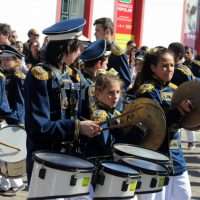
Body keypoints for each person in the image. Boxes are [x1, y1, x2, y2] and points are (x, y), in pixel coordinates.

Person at [24, 18, 100, 187]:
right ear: (66, 47)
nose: (81, 52)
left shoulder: (75, 75)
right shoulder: (39, 75)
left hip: (72, 160)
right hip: (46, 160)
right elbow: (38, 127)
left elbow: (84, 111)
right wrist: (78, 127)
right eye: (78, 47)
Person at [132, 47, 192, 200]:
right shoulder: (147, 91)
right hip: (154, 158)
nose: (169, 69)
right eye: (164, 66)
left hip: (176, 158)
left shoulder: (174, 90)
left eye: (172, 65)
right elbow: (156, 123)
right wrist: (178, 111)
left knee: (185, 196)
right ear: (153, 68)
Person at [0, 44, 26, 196]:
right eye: (2, 59)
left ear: (16, 60)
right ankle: (12, 182)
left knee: (9, 152)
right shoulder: (10, 76)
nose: (3, 61)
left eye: (7, 59)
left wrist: (13, 117)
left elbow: (20, 102)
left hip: (14, 118)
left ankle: (12, 183)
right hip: (11, 117)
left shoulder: (17, 78)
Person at [93, 17, 132, 90]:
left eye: (97, 30)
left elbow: (126, 80)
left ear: (107, 32)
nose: (94, 34)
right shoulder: (96, 50)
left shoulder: (117, 53)